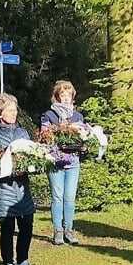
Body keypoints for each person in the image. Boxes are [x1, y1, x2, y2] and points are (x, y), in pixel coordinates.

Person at [0, 92, 37, 265]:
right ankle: (8, 264)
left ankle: (22, 261)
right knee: (7, 226)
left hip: (22, 186)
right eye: (9, 110)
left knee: (27, 224)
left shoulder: (22, 132)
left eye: (15, 109)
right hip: (3, 187)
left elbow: (32, 153)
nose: (14, 113)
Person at [39, 79, 84, 246]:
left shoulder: (78, 116)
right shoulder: (49, 115)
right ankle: (58, 230)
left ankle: (69, 230)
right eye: (62, 95)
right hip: (55, 162)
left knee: (70, 198)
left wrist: (83, 146)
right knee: (57, 197)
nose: (65, 98)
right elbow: (44, 136)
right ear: (56, 96)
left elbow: (83, 137)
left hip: (73, 162)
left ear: (73, 97)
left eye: (68, 95)